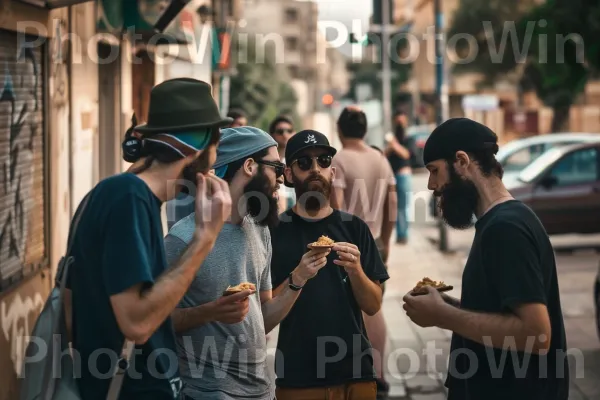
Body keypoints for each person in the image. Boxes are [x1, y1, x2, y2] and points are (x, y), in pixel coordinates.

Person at [64, 78, 233, 400]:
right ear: (198, 145)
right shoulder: (129, 199)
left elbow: (74, 309)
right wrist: (204, 239)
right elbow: (137, 325)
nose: (216, 156)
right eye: (216, 142)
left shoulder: (127, 195)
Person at [402, 118, 569, 400]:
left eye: (434, 171)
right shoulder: (501, 222)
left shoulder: (506, 229)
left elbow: (537, 334)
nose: (432, 185)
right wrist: (452, 306)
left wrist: (443, 315)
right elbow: (503, 312)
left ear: (462, 161)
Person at [165, 127, 332, 400]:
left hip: (261, 391)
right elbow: (157, 322)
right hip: (208, 392)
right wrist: (212, 311)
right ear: (250, 166)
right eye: (276, 167)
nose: (282, 178)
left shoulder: (259, 229)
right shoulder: (182, 239)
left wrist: (298, 278)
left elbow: (260, 318)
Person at [270, 129, 390, 400]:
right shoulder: (275, 232)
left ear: (332, 173)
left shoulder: (355, 228)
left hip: (356, 373)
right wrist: (297, 277)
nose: (315, 169)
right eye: (304, 163)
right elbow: (263, 313)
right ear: (289, 174)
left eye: (323, 161)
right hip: (298, 377)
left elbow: (372, 305)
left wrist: (356, 270)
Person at [330, 106, 398, 399]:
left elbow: (338, 208)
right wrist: (386, 241)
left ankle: (354, 374)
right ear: (365, 130)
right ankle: (379, 374)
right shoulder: (380, 158)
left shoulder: (338, 159)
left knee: (351, 309)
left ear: (340, 130)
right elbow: (392, 204)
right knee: (375, 306)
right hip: (376, 239)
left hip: (351, 242)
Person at [384, 110, 413, 244]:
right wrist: (390, 146)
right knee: (393, 207)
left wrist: (394, 145)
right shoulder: (392, 139)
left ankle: (403, 234)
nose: (399, 124)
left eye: (402, 121)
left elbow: (406, 154)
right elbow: (383, 155)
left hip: (403, 175)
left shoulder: (408, 139)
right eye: (398, 121)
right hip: (392, 176)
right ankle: (398, 234)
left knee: (403, 207)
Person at [268, 114, 296, 211]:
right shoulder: (267, 163)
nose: (285, 134)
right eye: (280, 131)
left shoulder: (300, 162)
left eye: (289, 131)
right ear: (272, 135)